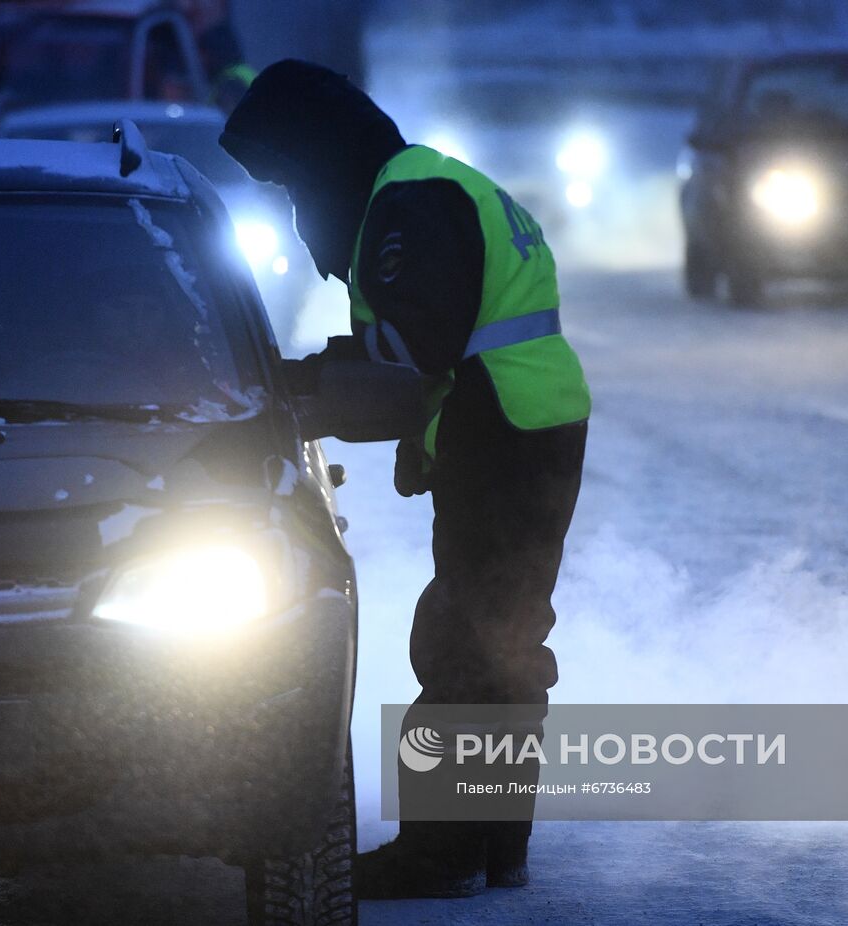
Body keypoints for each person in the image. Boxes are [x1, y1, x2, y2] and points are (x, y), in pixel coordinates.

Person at [219, 60, 589, 899]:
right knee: (501, 636)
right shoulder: (424, 184)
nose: (289, 201)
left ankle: (445, 852)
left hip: (501, 428)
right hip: (525, 423)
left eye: (285, 177)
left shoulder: (408, 206)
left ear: (319, 152)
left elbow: (403, 360)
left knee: (466, 639)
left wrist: (296, 394)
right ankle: (495, 844)